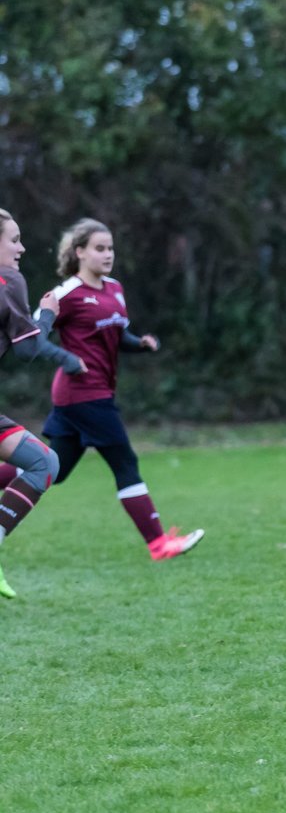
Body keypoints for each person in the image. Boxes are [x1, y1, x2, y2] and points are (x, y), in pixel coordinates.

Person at [0, 218, 204, 562]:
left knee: (52, 468)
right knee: (126, 462)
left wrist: (140, 344)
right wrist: (67, 358)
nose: (108, 254)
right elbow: (33, 338)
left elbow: (117, 333)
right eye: (99, 248)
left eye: (110, 248)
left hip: (97, 393)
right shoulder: (65, 293)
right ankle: (158, 543)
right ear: (79, 252)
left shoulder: (115, 289)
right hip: (83, 394)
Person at [0, 208, 88, 598]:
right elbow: (29, 349)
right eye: (14, 239)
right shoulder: (8, 280)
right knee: (44, 463)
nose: (22, 247)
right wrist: (47, 314)